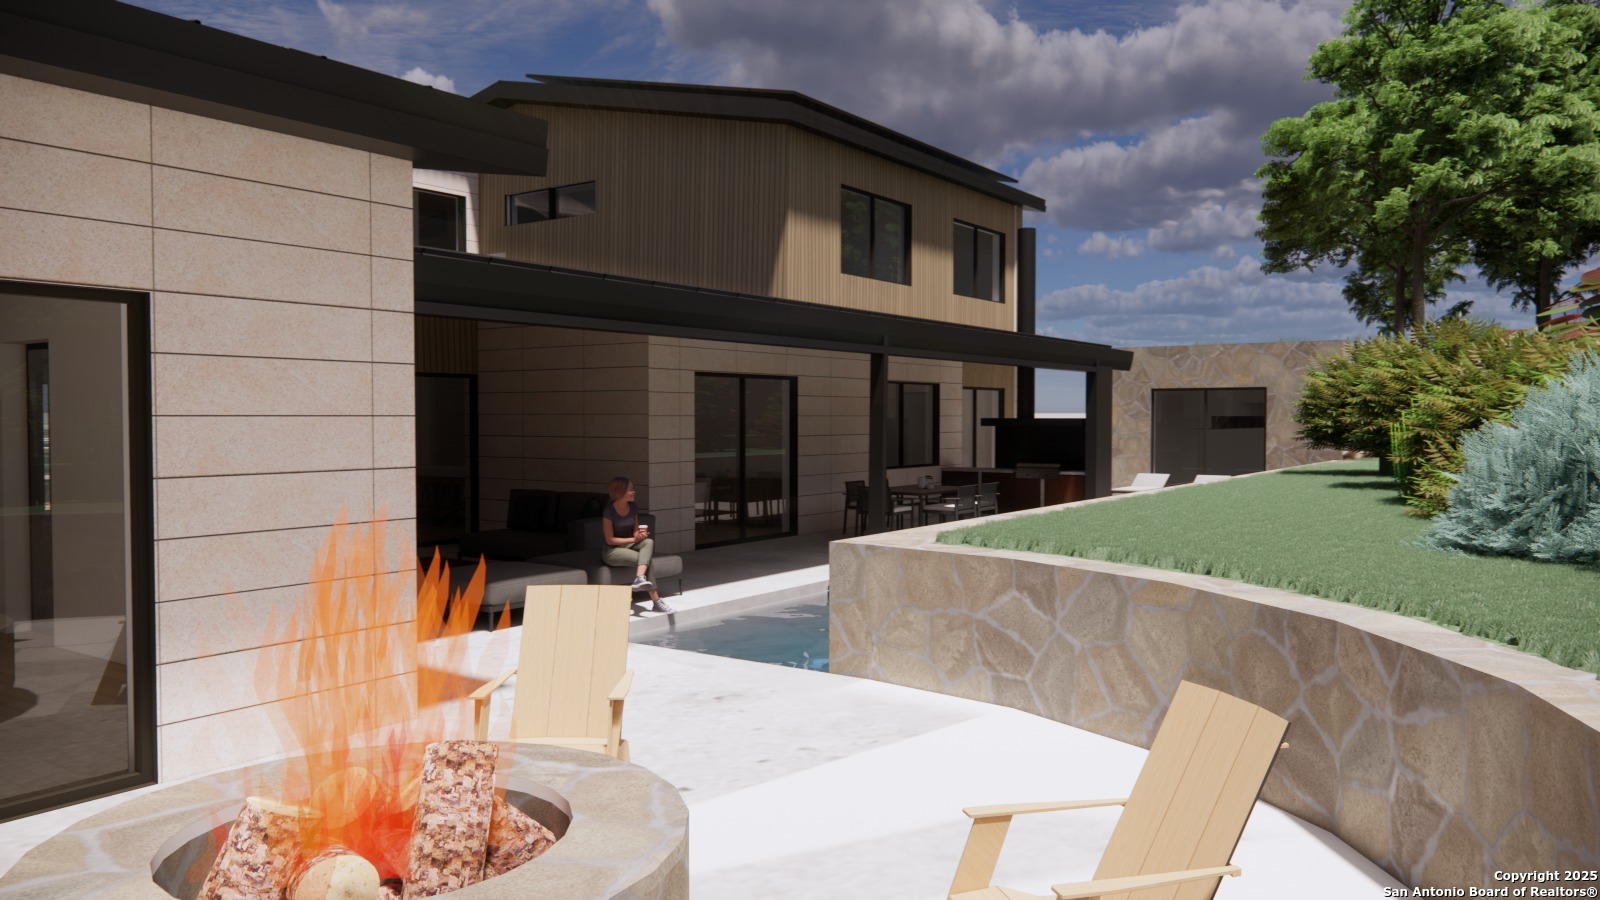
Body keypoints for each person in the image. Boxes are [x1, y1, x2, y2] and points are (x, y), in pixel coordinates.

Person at [602, 476, 674, 614]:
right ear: (620, 492)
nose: (634, 492)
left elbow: (634, 531)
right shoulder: (608, 512)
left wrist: (639, 536)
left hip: (629, 544)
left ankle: (639, 578)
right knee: (645, 561)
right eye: (630, 490)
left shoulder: (633, 506)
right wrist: (634, 540)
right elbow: (610, 540)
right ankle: (656, 601)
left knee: (649, 541)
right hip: (612, 551)